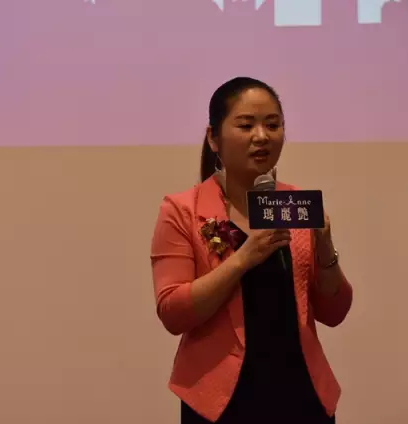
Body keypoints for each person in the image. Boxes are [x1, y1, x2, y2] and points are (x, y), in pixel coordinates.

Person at [149, 77, 353, 423]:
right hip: (220, 402)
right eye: (246, 125)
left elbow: (334, 312)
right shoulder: (182, 210)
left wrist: (326, 251)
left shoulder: (295, 204)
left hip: (301, 397)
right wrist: (244, 259)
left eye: (273, 125)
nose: (262, 136)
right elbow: (172, 312)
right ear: (213, 137)